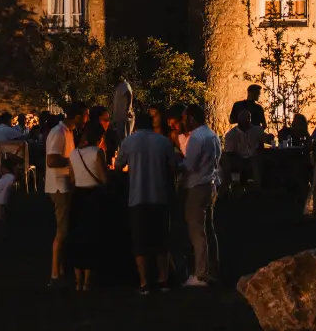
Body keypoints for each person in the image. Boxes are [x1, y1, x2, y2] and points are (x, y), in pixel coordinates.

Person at [118, 108, 180, 295]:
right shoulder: (162, 142)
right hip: (159, 195)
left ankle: (144, 282)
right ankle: (163, 279)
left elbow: (119, 165)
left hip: (137, 197)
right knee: (161, 241)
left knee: (140, 242)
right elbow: (173, 166)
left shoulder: (129, 142)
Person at [66, 122, 110, 292]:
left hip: (78, 196)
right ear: (99, 138)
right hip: (93, 197)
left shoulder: (74, 153)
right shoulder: (97, 152)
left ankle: (77, 281)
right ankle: (87, 282)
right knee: (92, 237)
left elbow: (71, 178)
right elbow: (103, 178)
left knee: (78, 238)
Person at [180, 105, 219, 287]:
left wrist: (176, 162)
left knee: (197, 230)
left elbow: (189, 164)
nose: (183, 122)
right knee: (209, 229)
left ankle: (200, 274)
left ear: (192, 119)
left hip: (196, 185)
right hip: (210, 184)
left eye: (184, 118)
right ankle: (213, 269)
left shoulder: (196, 137)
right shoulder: (212, 135)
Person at [42, 111, 72, 286]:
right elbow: (52, 161)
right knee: (62, 230)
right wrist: (73, 160)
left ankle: (60, 269)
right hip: (59, 186)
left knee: (64, 228)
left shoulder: (66, 132)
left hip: (64, 184)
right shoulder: (58, 133)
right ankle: (55, 274)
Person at [219, 113, 264, 190]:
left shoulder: (256, 131)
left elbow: (261, 146)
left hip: (253, 158)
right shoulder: (231, 134)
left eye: (248, 120)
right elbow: (229, 152)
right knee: (225, 160)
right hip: (238, 158)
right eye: (244, 121)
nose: (247, 123)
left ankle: (257, 188)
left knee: (256, 160)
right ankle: (226, 189)